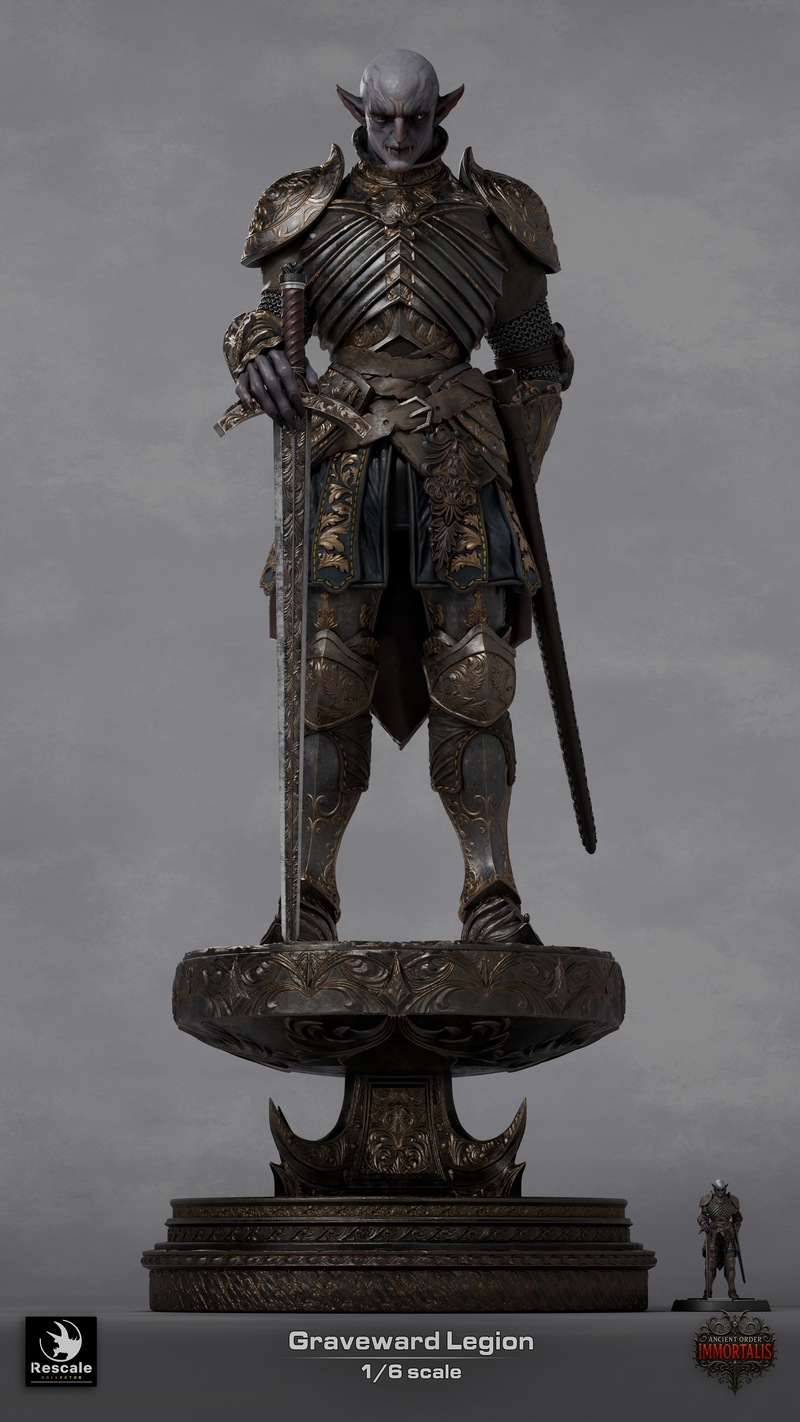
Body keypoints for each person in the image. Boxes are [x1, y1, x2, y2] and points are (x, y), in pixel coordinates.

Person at [224, 49, 574, 944]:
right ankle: (306, 895)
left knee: (476, 672)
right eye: (383, 117)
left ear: (443, 109)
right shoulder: (309, 209)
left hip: (457, 457)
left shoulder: (495, 215)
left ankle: (491, 897)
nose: (399, 134)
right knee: (324, 676)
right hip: (344, 455)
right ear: (357, 110)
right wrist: (255, 353)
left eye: (415, 117)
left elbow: (533, 361)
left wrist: (510, 462)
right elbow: (267, 319)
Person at [699, 1179, 742, 1300]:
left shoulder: (732, 1200)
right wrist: (703, 1223)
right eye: (718, 1190)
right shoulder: (707, 1199)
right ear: (714, 1188)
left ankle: (732, 1291)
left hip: (728, 1235)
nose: (720, 1192)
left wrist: (735, 1230)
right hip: (713, 1234)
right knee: (710, 1264)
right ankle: (708, 1291)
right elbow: (702, 1215)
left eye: (722, 1190)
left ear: (725, 1188)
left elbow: (737, 1219)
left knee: (730, 1264)